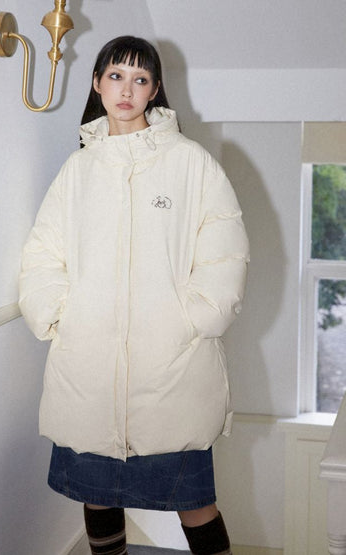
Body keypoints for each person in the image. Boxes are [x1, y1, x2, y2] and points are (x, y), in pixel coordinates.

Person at [19, 35, 249, 555]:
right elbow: (43, 254)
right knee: (97, 498)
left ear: (155, 89)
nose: (126, 90)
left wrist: (193, 319)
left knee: (195, 502)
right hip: (90, 368)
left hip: (172, 370)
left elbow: (225, 253)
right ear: (98, 84)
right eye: (116, 76)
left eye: (140, 79)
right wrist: (59, 315)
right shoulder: (77, 171)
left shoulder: (190, 163)